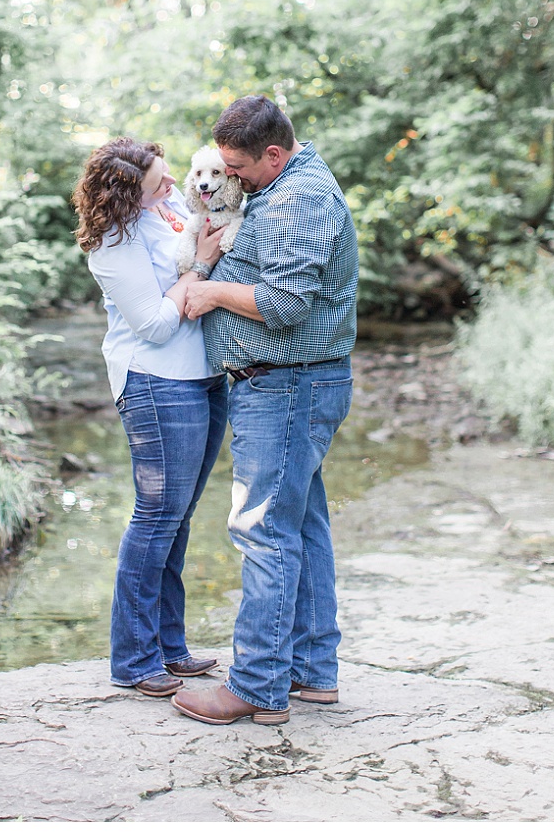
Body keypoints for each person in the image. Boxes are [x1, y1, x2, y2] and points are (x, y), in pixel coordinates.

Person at [168, 95, 358, 727]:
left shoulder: (298, 199)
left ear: (273, 154)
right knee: (300, 526)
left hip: (286, 385)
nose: (230, 177)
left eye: (238, 166)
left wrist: (208, 289)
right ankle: (310, 673)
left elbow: (288, 304)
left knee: (261, 530)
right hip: (290, 384)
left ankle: (256, 686)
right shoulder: (281, 190)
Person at [73, 138, 226, 699]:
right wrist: (202, 269)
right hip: (157, 383)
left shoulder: (169, 207)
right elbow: (157, 325)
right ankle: (134, 659)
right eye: (157, 181)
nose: (172, 186)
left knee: (179, 517)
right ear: (123, 194)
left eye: (168, 175)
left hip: (203, 376)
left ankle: (170, 647)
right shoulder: (112, 246)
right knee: (157, 516)